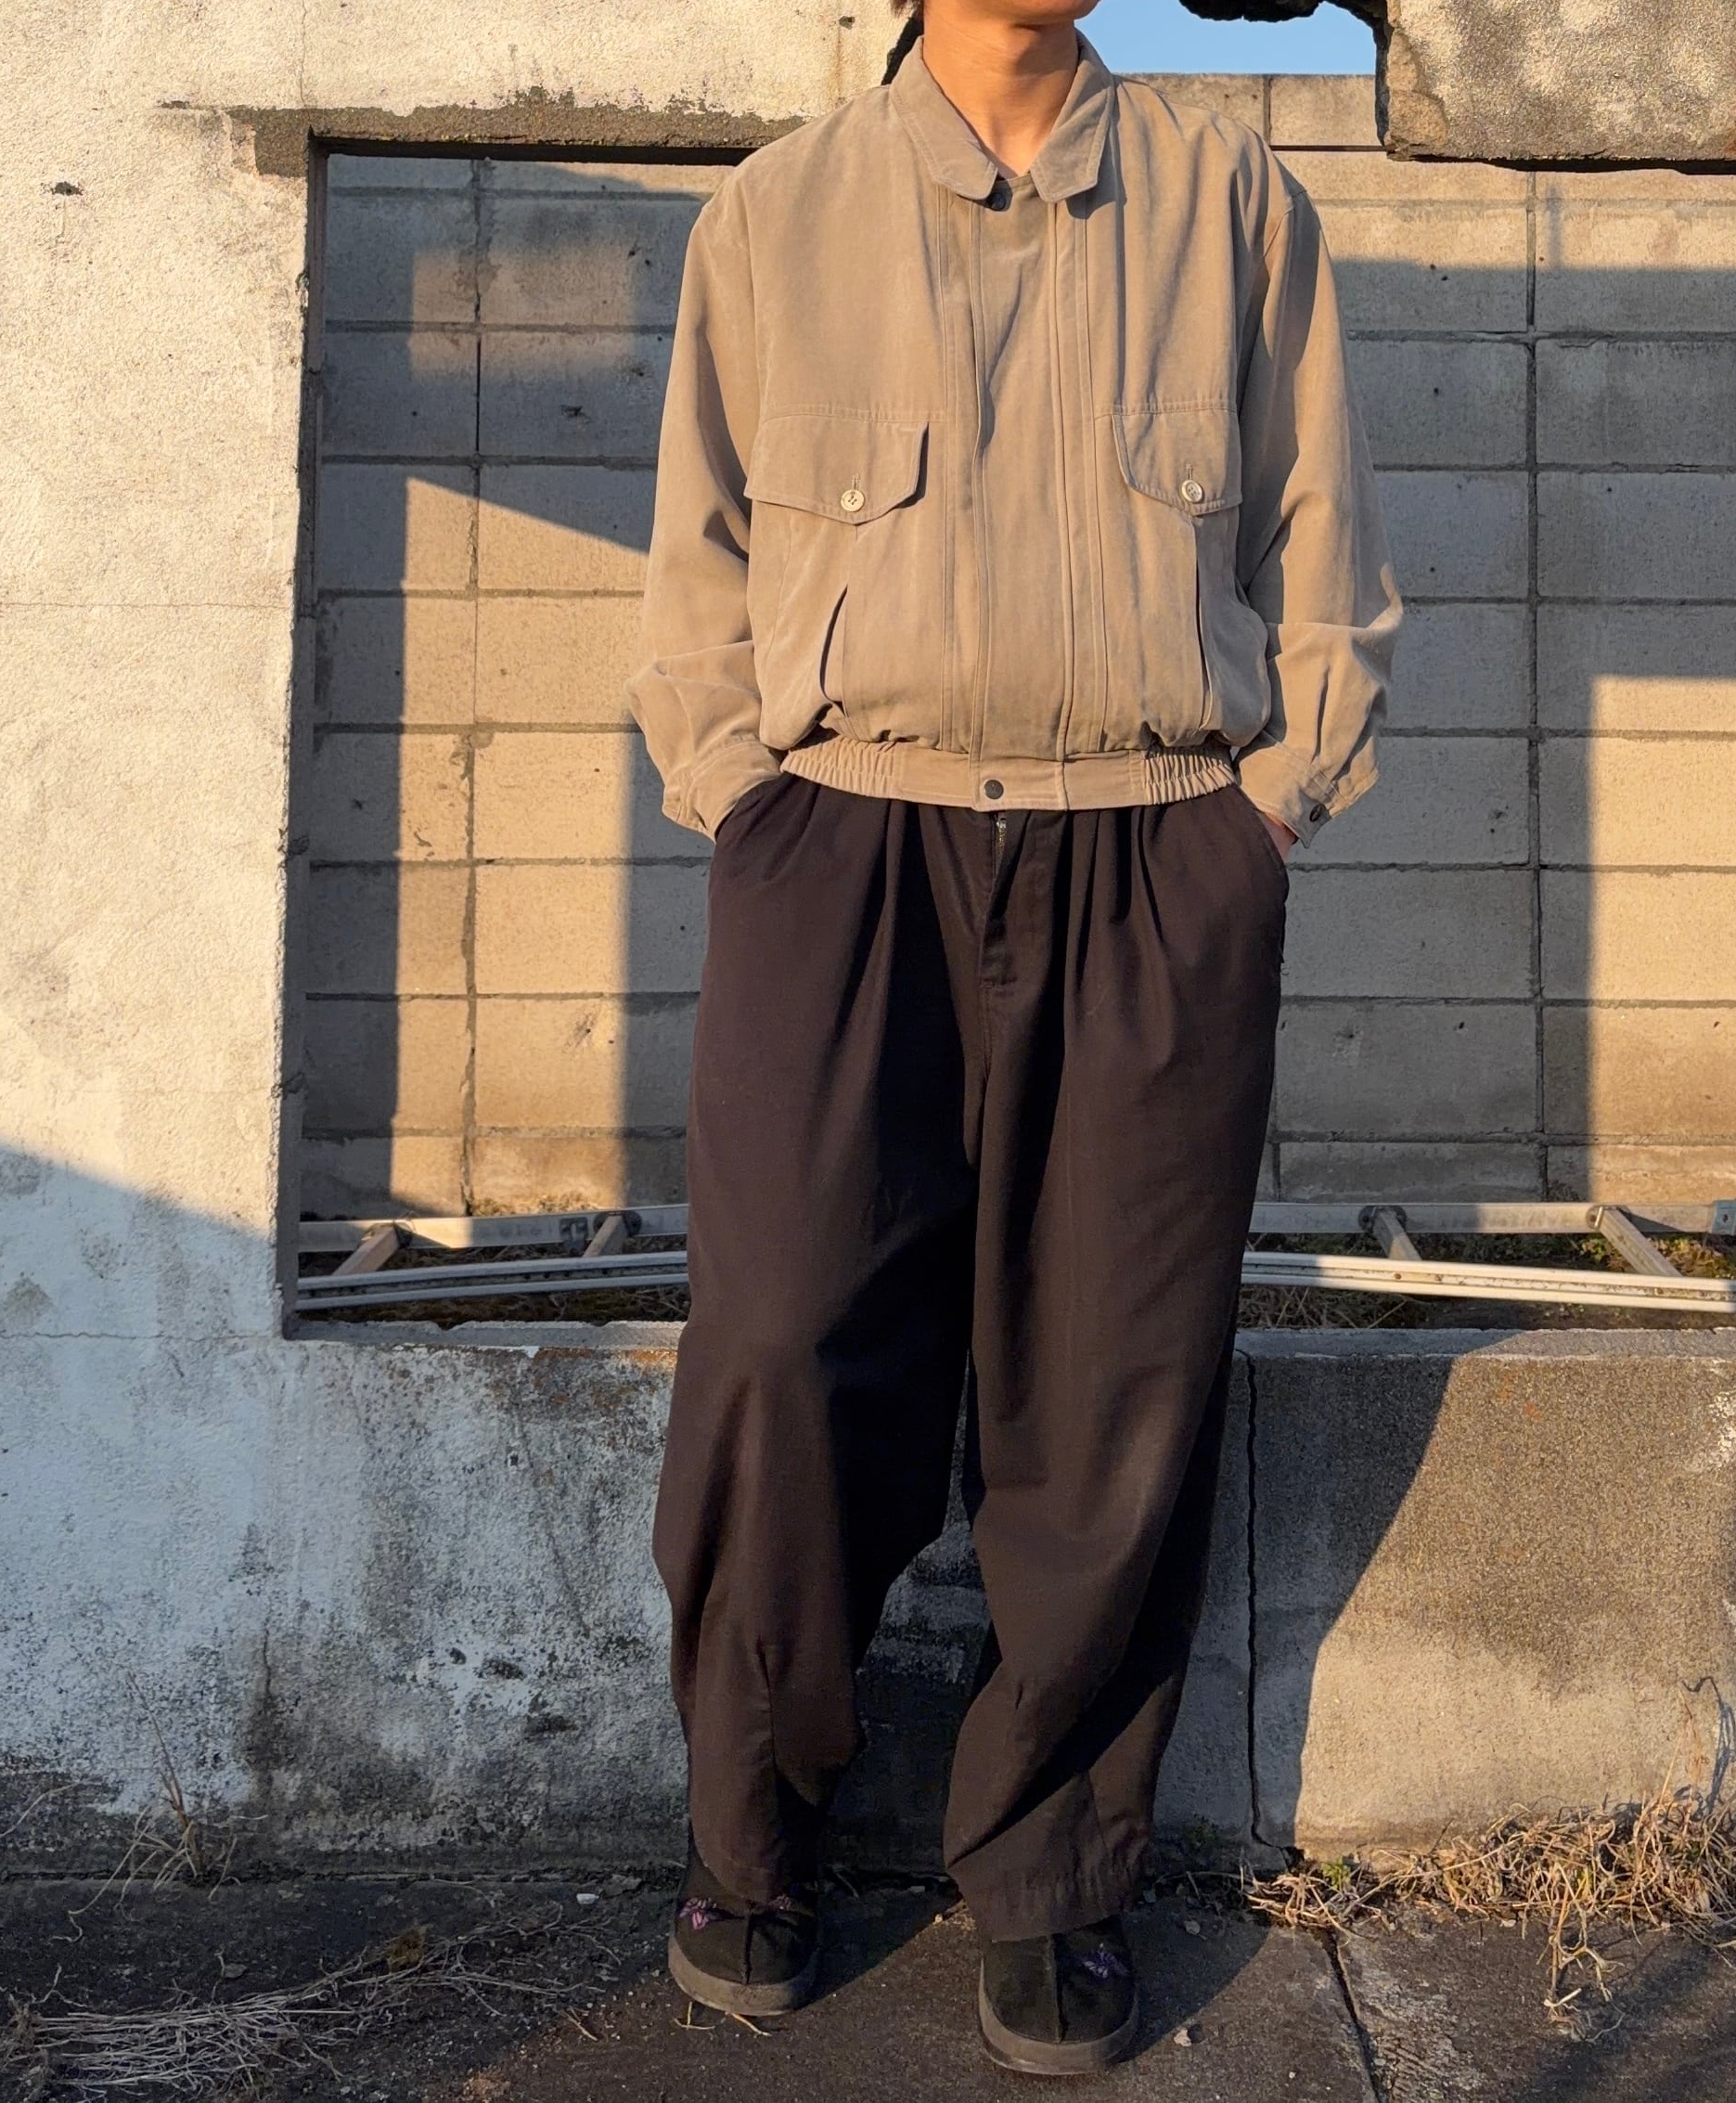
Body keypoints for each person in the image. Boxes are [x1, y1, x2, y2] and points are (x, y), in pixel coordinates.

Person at [626, 0, 1396, 2073]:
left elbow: (1319, 532)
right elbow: (695, 550)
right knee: (781, 1338)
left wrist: (1260, 813)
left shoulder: (1233, 205)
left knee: (1112, 1373)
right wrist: (746, 795)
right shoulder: (776, 213)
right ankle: (751, 1832)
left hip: (1153, 847)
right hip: (842, 839)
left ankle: (1052, 1872)